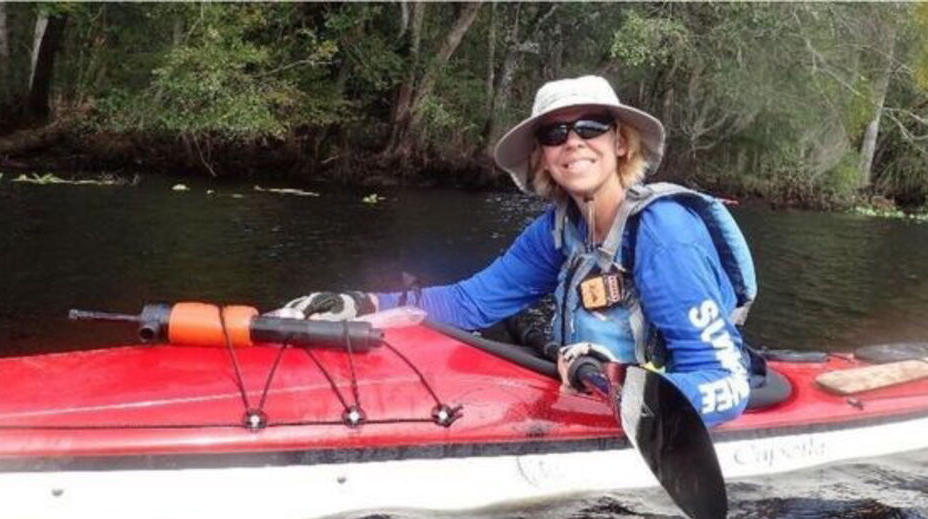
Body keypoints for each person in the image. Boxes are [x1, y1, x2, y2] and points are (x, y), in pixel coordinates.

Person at [278, 75, 757, 426]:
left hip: (646, 398)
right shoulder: (557, 229)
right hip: (589, 390)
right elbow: (470, 303)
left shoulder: (665, 232)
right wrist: (361, 306)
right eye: (554, 134)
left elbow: (725, 383)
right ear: (543, 157)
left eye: (590, 127)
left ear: (620, 143)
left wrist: (623, 389)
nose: (573, 143)